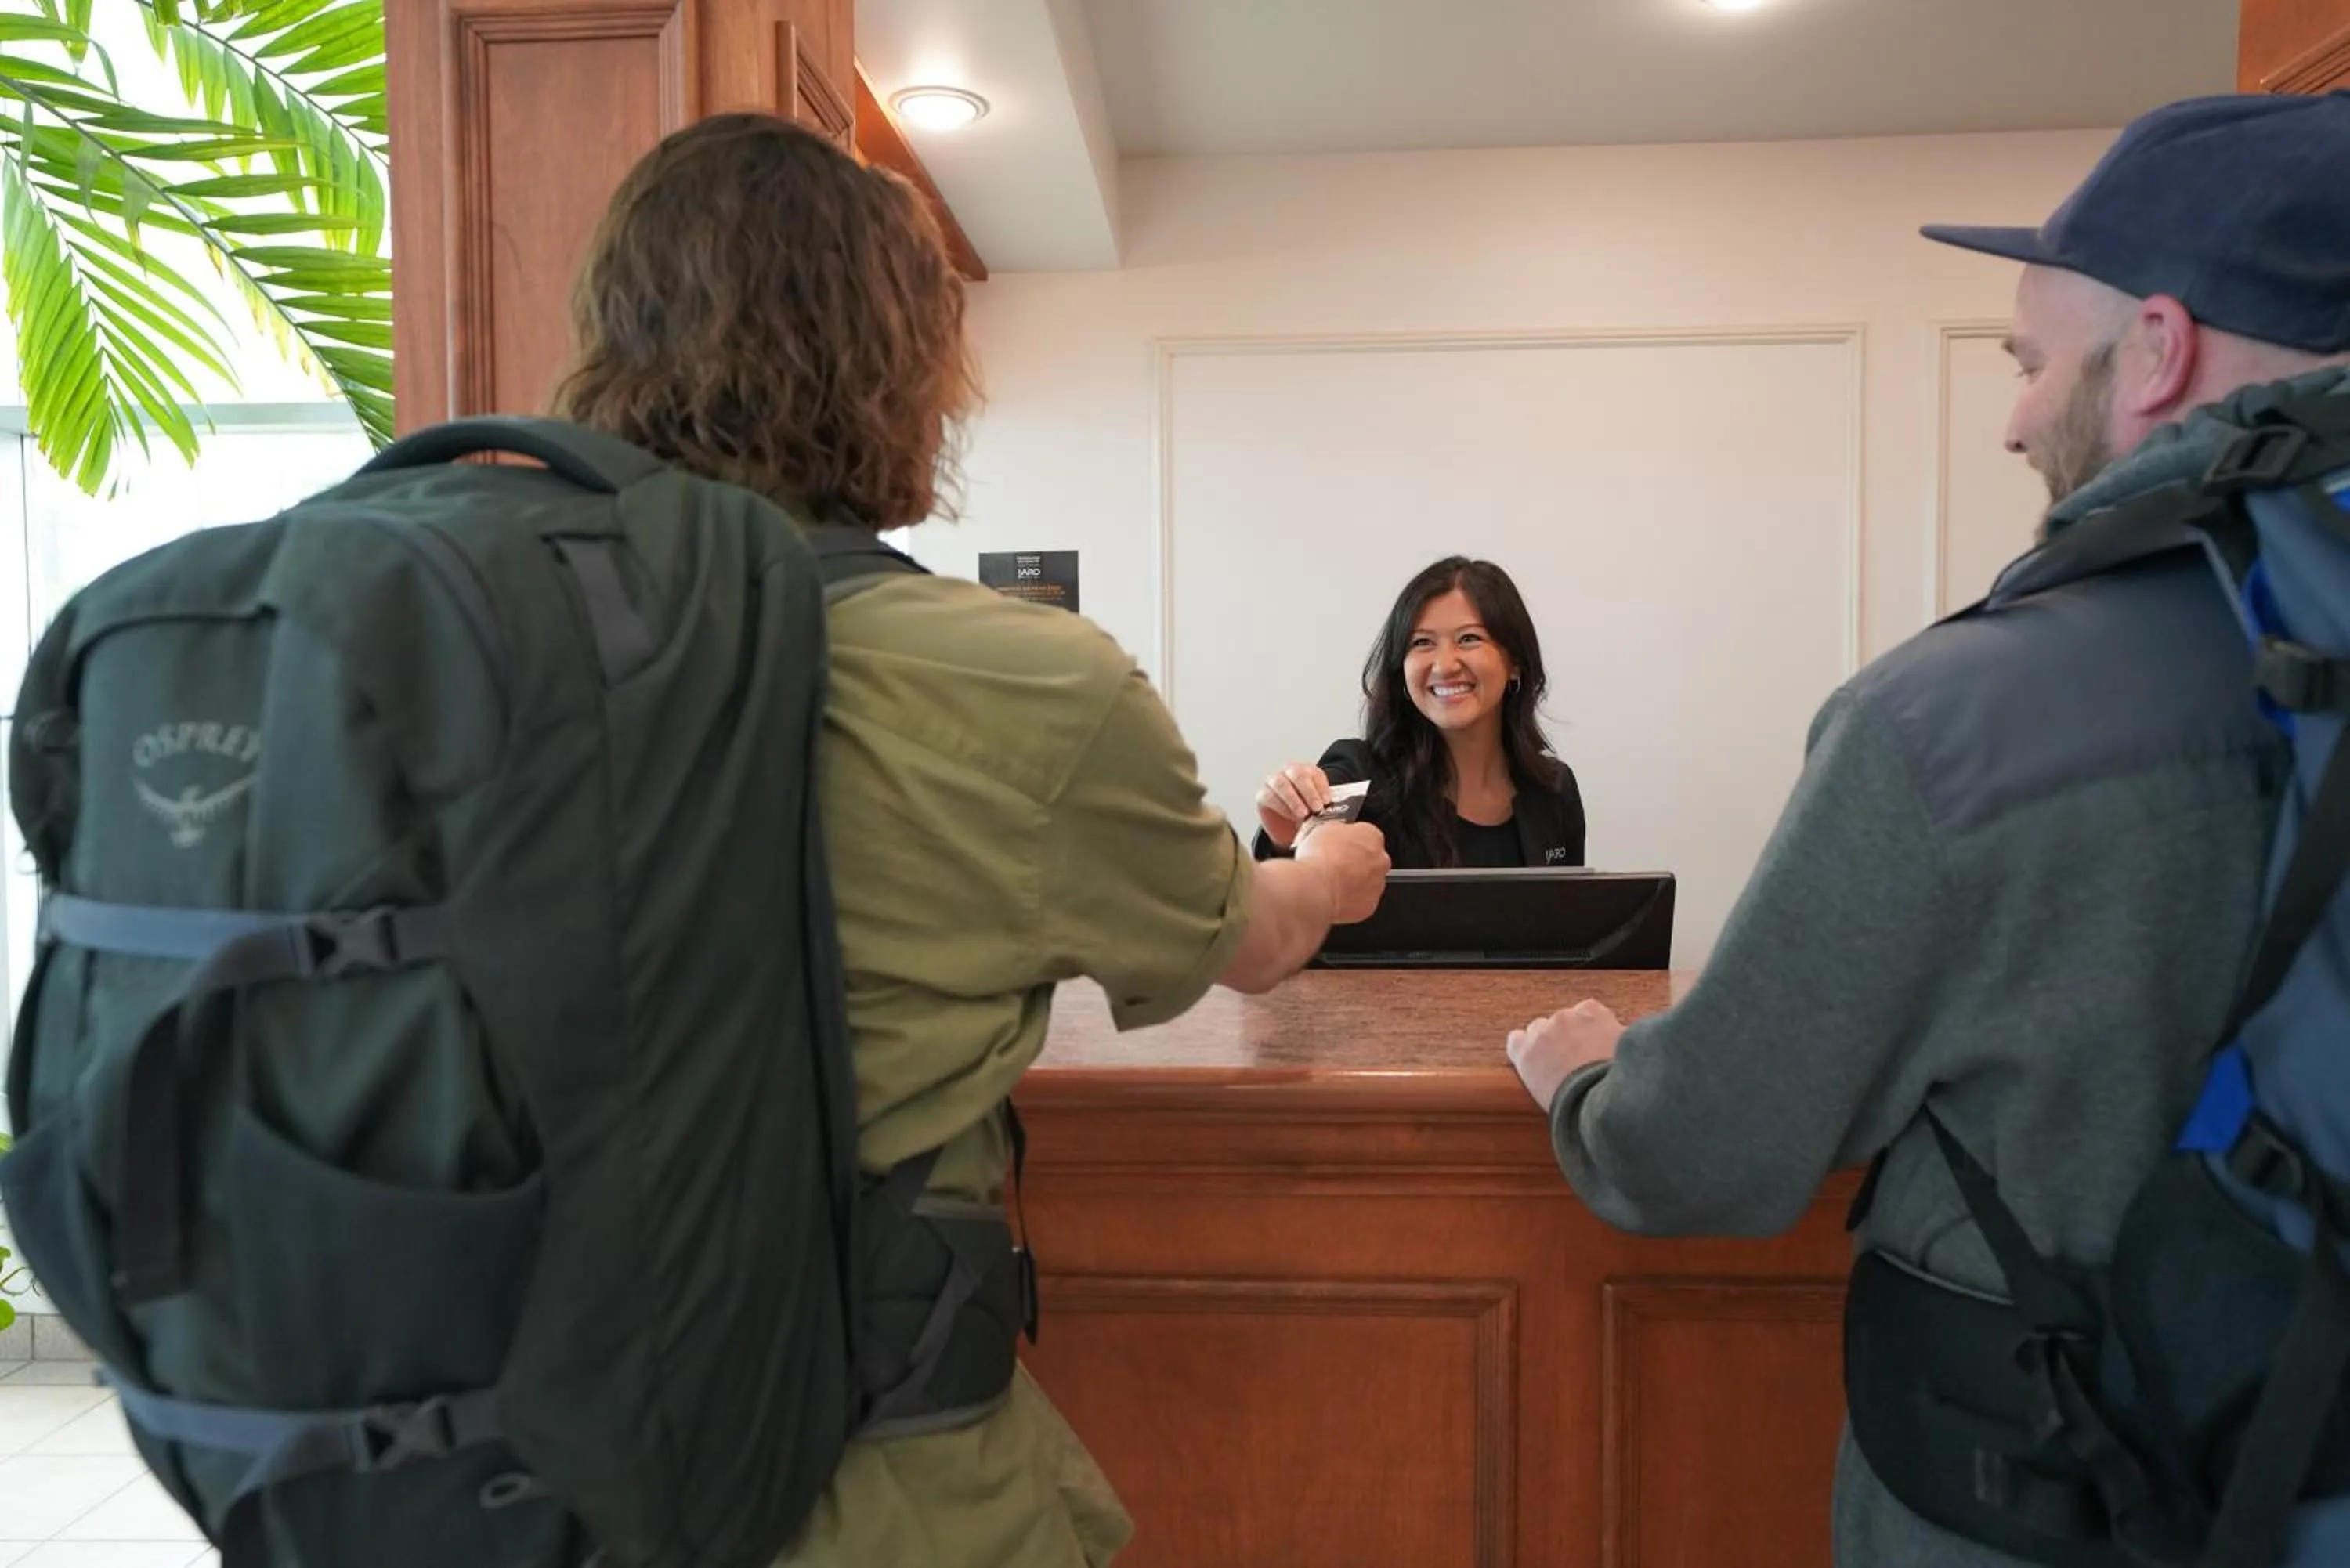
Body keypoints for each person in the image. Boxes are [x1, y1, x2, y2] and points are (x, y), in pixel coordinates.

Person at [1501, 92, 2350, 1566]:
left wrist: (1585, 1085)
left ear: (2160, 348)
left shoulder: (1960, 717)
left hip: (2045, 1477)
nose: (2016, 413)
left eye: (2031, 362)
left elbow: (1701, 1153)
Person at [551, 113, 1390, 1567]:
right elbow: (1253, 950)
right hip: (852, 1470)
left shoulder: (452, 644)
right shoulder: (1022, 681)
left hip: (488, 1455)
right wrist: (1324, 873)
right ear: (903, 364)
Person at [1253, 555, 1586, 869]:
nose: (1444, 665)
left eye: (1469, 638)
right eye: (1423, 643)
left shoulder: (1554, 789)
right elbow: (1299, 868)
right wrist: (1286, 830)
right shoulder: (1359, 772)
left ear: (1515, 662)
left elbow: (1567, 922)